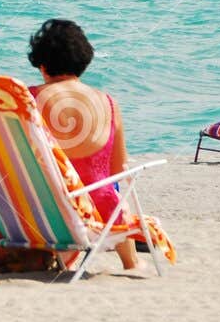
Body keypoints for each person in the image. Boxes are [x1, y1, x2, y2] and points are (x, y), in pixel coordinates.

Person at [26, 18, 137, 270]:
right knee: (112, 191)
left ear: (42, 66)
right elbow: (119, 168)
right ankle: (131, 263)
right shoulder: (108, 103)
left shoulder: (28, 99)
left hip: (40, 211)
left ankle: (55, 258)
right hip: (98, 215)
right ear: (83, 61)